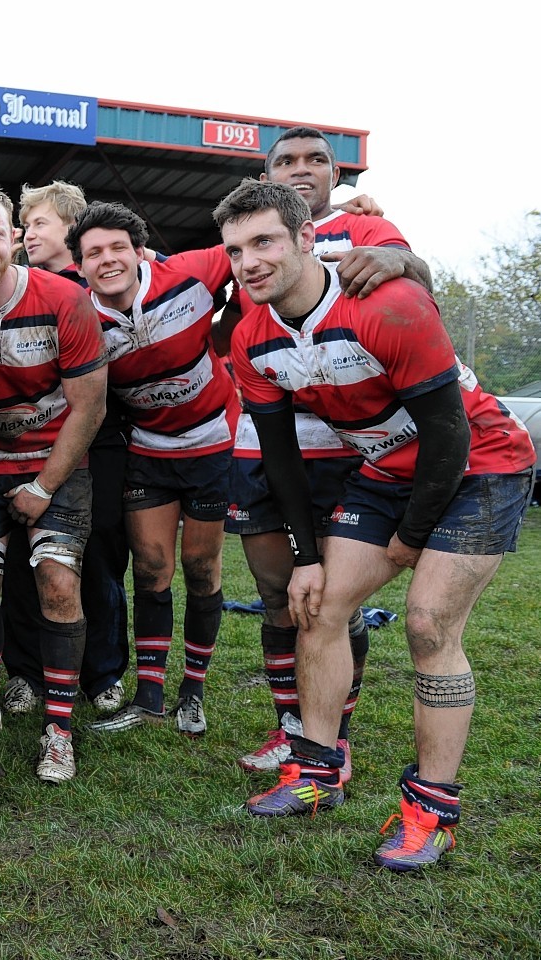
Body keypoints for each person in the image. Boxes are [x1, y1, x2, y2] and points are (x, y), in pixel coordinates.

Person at [215, 178, 535, 871]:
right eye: (236, 249)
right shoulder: (251, 338)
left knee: (427, 625)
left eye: (265, 241)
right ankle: (317, 772)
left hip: (483, 464)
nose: (250, 261)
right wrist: (305, 555)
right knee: (319, 605)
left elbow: (449, 436)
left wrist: (412, 539)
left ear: (307, 238)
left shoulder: (388, 305)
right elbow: (283, 463)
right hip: (390, 472)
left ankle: (432, 811)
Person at [223, 127, 433, 775]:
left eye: (315, 160)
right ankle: (291, 726)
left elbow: (418, 284)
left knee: (328, 597)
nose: (300, 169)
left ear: (336, 176)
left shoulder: (367, 229)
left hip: (344, 451)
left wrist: (401, 262)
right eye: (285, 160)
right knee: (273, 591)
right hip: (265, 440)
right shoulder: (244, 239)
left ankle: (331, 735)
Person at [0, 179, 108, 781]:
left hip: (54, 462)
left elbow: (89, 407)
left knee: (59, 584)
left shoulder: (66, 300)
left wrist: (43, 485)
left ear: (14, 237)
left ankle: (59, 728)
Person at [67, 202, 235, 738]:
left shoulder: (190, 272)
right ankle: (150, 696)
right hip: (148, 448)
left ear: (140, 251)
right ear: (80, 265)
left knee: (202, 569)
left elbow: (257, 248)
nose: (108, 259)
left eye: (118, 247)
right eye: (94, 253)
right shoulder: (74, 308)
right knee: (151, 568)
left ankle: (194, 691)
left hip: (212, 442)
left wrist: (368, 245)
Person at [12, 180, 129, 718]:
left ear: (72, 229)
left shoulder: (101, 283)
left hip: (96, 441)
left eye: (39, 222)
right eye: (26, 223)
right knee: (19, 559)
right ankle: (25, 672)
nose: (28, 232)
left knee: (98, 555)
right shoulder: (11, 284)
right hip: (24, 445)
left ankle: (102, 673)